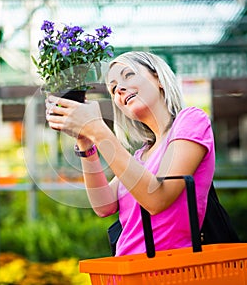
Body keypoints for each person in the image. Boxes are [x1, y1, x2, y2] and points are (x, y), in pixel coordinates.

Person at [45, 51, 215, 256]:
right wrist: (85, 139)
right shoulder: (141, 155)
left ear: (159, 79)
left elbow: (157, 199)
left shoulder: (191, 120)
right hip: (127, 269)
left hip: (168, 270)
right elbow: (104, 205)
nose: (120, 89)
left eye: (129, 75)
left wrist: (98, 130)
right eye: (114, 88)